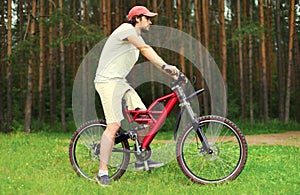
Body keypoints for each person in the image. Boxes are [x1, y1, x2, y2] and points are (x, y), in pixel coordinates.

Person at [94, 6, 185, 186]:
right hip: (107, 82)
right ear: (137, 18)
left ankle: (141, 157)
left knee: (144, 118)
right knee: (113, 125)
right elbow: (145, 49)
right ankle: (102, 172)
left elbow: (147, 52)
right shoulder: (126, 30)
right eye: (147, 18)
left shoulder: (134, 36)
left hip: (119, 82)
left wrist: (172, 73)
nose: (150, 21)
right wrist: (167, 66)